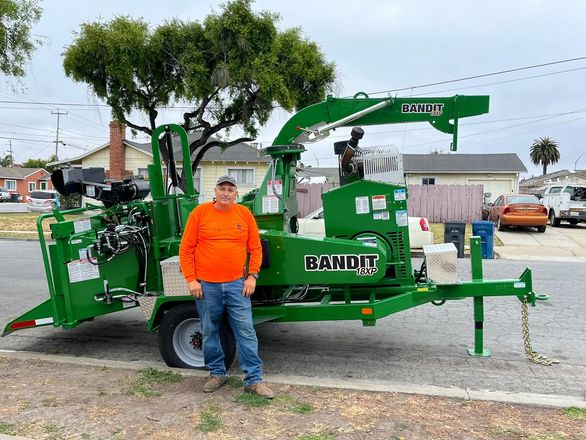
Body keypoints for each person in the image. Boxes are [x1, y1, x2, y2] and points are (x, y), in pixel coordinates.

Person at [179, 175, 273, 398]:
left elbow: (256, 248)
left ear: (236, 194)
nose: (226, 193)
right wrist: (191, 279)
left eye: (230, 189)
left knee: (246, 331)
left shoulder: (244, 214)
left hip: (236, 285)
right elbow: (186, 249)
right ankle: (217, 374)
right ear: (215, 191)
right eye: (222, 188)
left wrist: (252, 276)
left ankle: (253, 380)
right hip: (206, 286)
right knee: (210, 332)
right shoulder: (200, 213)